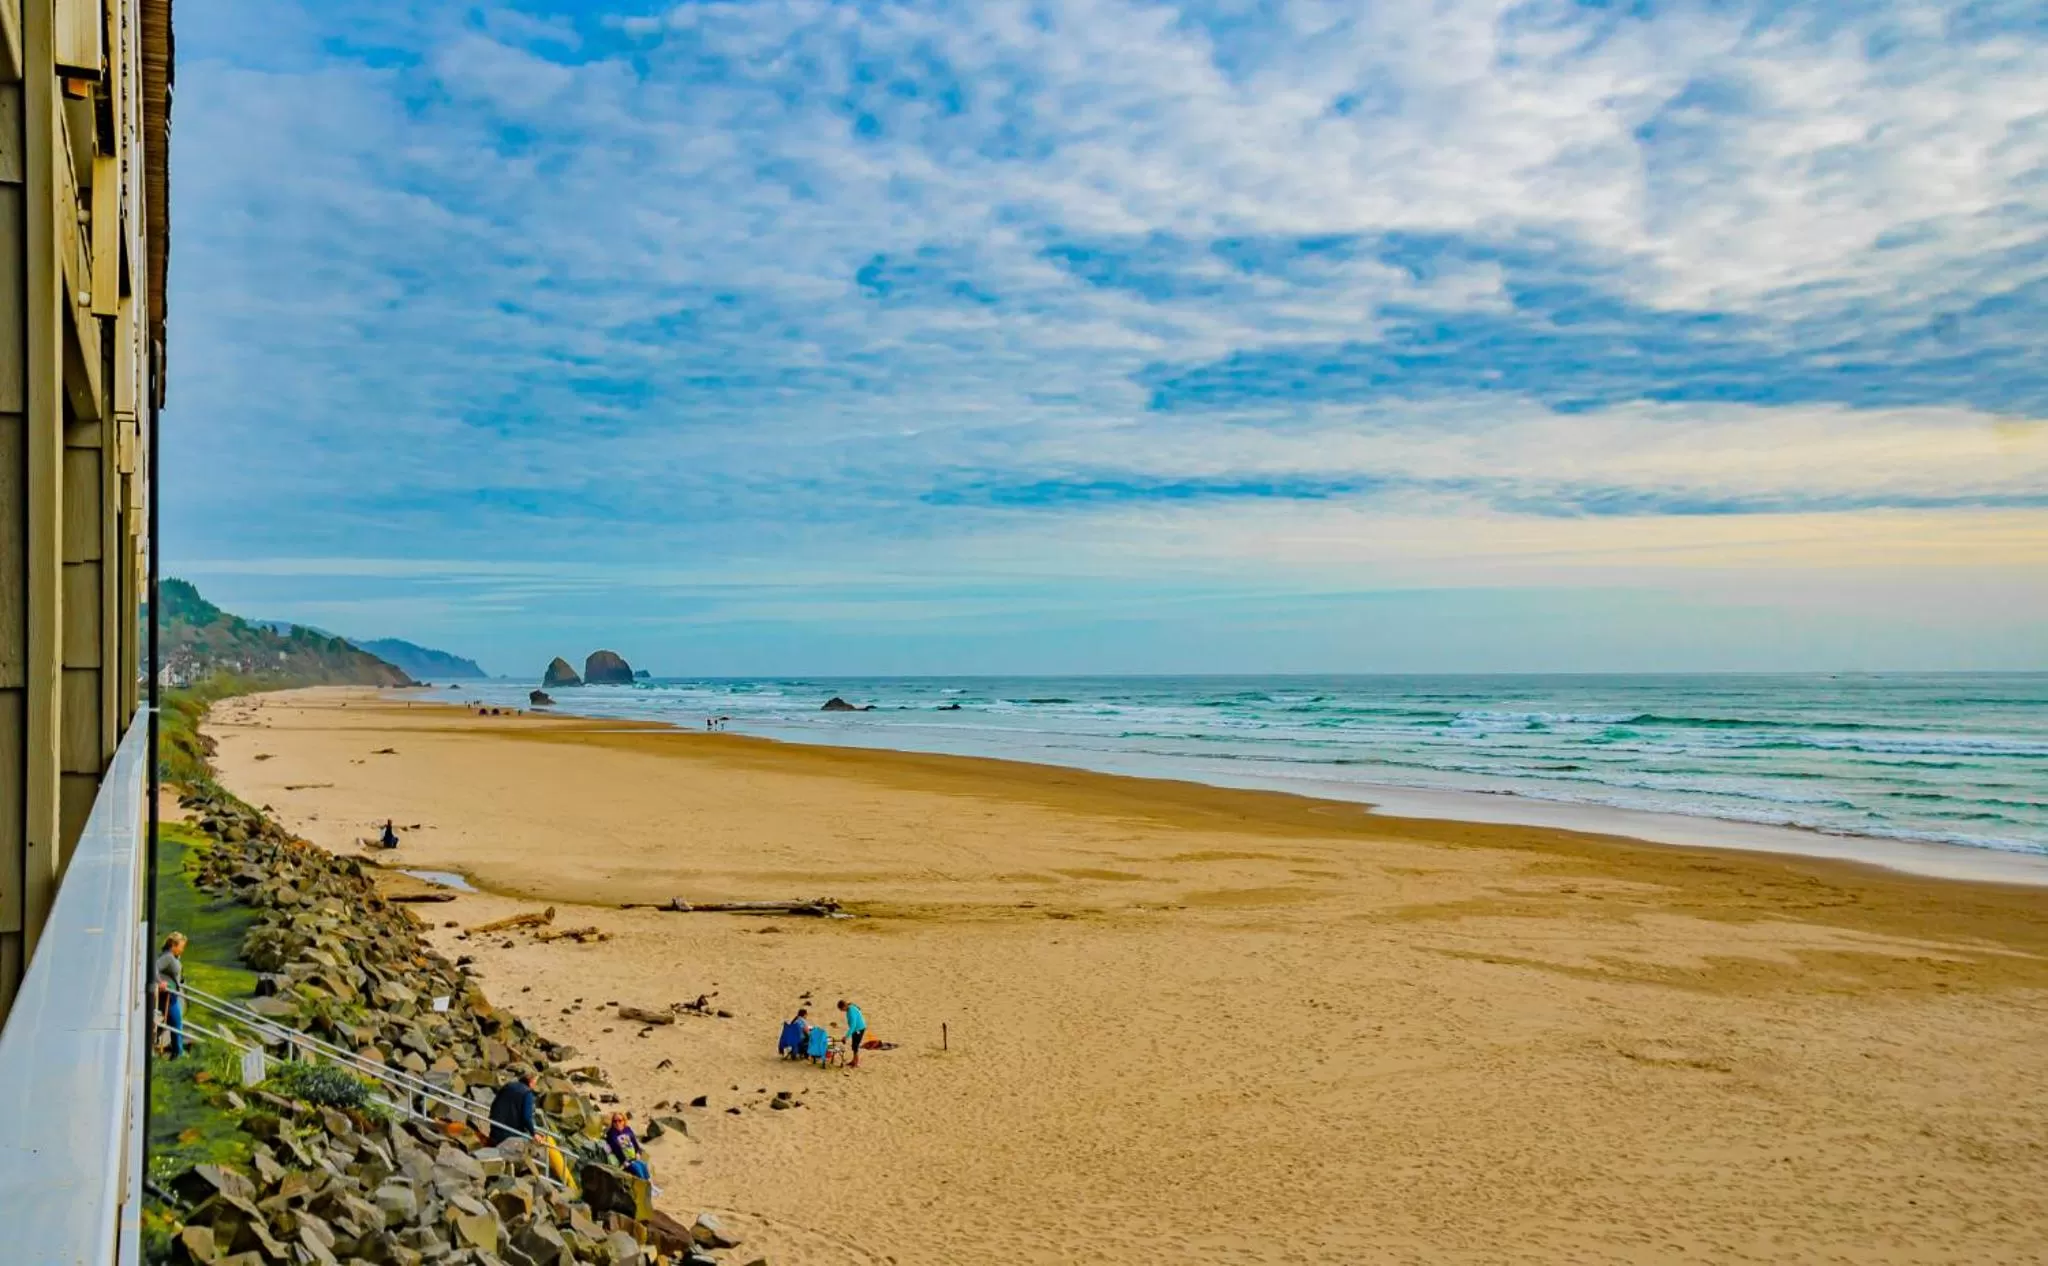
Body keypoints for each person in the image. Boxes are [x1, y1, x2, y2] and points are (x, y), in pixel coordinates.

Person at [154, 932, 187, 1058]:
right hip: (167, 996)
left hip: (172, 995)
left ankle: (175, 1052)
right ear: (173, 945)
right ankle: (178, 1053)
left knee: (172, 1022)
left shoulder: (174, 957)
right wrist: (159, 982)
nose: (182, 950)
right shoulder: (168, 957)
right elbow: (154, 968)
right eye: (181, 947)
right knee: (176, 1022)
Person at [488, 1068, 539, 1145]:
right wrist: (534, 1134)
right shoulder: (527, 1093)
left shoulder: (508, 1085)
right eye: (535, 1082)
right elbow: (526, 1117)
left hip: (495, 1127)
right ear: (531, 1082)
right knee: (533, 1142)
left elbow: (495, 1103)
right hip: (510, 1133)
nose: (535, 1085)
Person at [605, 1111, 652, 1182]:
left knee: (643, 1165)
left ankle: (648, 1184)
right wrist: (625, 1161)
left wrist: (638, 1153)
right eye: (615, 1121)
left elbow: (635, 1143)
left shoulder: (628, 1130)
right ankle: (643, 1185)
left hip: (633, 1157)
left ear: (624, 1121)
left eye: (620, 1120)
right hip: (623, 1161)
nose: (617, 1123)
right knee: (636, 1169)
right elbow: (616, 1149)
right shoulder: (611, 1134)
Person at [838, 998, 866, 1068]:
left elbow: (853, 1026)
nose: (842, 1011)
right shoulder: (850, 1007)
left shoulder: (851, 1012)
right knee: (853, 1045)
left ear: (844, 1006)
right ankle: (853, 1061)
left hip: (859, 1029)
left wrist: (846, 1037)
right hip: (856, 1029)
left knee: (855, 1046)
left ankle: (856, 1062)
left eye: (841, 1009)